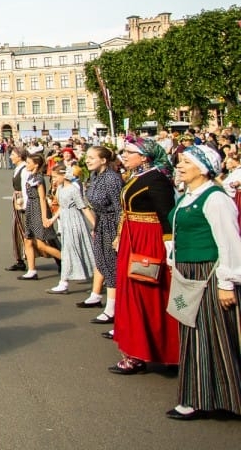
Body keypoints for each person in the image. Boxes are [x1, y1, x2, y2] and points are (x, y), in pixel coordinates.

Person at [166, 145, 241, 419]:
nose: (180, 166)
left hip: (208, 275)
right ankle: (197, 395)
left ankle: (221, 397)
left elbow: (230, 242)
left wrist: (227, 283)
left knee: (213, 335)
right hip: (188, 274)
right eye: (179, 162)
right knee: (192, 334)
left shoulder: (215, 199)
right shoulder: (189, 195)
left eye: (186, 162)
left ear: (204, 167)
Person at [110, 136, 178, 375]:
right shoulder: (137, 177)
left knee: (148, 295)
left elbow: (167, 217)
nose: (124, 155)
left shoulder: (156, 179)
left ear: (144, 157)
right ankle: (135, 349)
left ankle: (162, 351)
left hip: (148, 242)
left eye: (129, 152)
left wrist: (169, 249)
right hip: (133, 238)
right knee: (132, 295)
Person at [77, 145, 124, 323]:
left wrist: (119, 235)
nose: (87, 160)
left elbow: (120, 209)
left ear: (103, 160)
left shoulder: (112, 179)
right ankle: (106, 303)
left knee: (112, 268)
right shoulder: (95, 176)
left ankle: (112, 310)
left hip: (113, 224)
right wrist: (96, 225)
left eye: (91, 157)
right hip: (102, 224)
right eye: (87, 157)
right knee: (102, 263)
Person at [45, 164, 94, 295]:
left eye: (55, 177)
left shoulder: (73, 189)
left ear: (64, 175)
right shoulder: (60, 188)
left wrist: (94, 224)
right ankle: (66, 281)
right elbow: (62, 206)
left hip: (75, 222)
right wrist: (53, 219)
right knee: (71, 250)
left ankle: (64, 283)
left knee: (72, 250)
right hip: (66, 222)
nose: (53, 180)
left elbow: (83, 207)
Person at [17, 153, 62, 280]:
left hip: (38, 208)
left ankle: (67, 260)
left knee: (41, 244)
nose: (27, 164)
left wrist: (44, 217)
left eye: (29, 162)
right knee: (28, 240)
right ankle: (32, 271)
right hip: (31, 207)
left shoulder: (39, 178)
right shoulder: (31, 176)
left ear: (36, 165)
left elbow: (42, 198)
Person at [5, 147, 29, 272]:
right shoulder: (19, 168)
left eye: (13, 154)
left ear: (20, 156)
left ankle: (60, 258)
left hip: (22, 201)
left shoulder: (25, 169)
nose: (10, 157)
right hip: (18, 200)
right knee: (18, 230)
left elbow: (27, 188)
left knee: (27, 231)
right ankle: (20, 259)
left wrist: (23, 201)